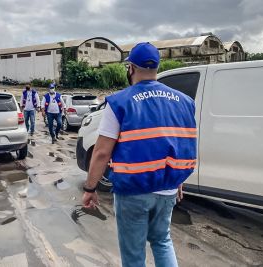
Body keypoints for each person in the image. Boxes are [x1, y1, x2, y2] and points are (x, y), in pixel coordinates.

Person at [82, 42, 197, 267]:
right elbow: (180, 143)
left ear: (131, 68)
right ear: (156, 68)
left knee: (134, 254)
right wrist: (178, 179)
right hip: (168, 189)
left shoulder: (120, 102)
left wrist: (90, 188)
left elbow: (102, 152)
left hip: (133, 191)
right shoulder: (184, 102)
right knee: (162, 240)